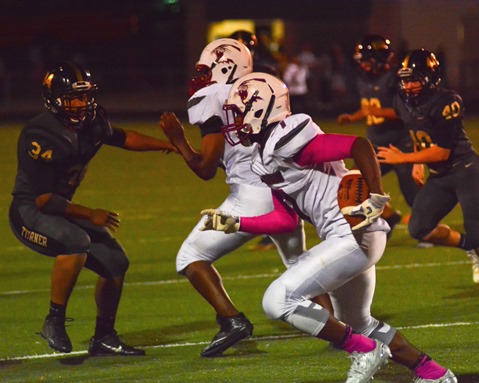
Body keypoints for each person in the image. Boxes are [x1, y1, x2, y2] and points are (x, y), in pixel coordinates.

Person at [202, 72, 457, 383]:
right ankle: (435, 374)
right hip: (349, 239)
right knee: (359, 323)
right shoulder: (265, 157)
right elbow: (285, 219)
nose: (235, 122)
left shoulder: (288, 137)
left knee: (277, 300)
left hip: (353, 232)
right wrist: (238, 222)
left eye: (240, 112)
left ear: (262, 107)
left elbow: (359, 146)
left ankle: (364, 351)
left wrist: (377, 196)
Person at [8, 61, 177, 355]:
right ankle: (54, 321)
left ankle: (104, 337)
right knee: (76, 242)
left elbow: (122, 137)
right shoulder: (42, 135)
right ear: (55, 100)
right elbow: (43, 199)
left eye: (84, 96)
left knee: (115, 261)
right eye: (73, 98)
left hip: (58, 207)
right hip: (29, 212)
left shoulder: (93, 120)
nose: (80, 104)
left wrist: (166, 144)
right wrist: (90, 213)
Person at [159, 38, 307, 357]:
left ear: (225, 67)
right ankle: (338, 329)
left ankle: (232, 321)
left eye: (207, 70)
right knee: (298, 262)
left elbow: (206, 167)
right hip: (285, 190)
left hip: (251, 197)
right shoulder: (257, 87)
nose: (202, 78)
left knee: (190, 258)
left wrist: (179, 141)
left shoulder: (210, 97)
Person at [377, 48, 479, 284]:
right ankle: (469, 248)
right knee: (419, 228)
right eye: (406, 80)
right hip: (440, 176)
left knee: (477, 232)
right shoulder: (402, 101)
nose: (409, 86)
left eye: (415, 80)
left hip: (465, 170)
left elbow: (442, 151)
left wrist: (403, 158)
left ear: (430, 78)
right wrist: (418, 160)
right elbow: (418, 133)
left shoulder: (447, 101)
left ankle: (475, 245)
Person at [337, 34, 421, 241]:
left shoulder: (396, 79)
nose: (363, 64)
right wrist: (353, 117)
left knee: (411, 192)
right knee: (357, 183)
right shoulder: (364, 79)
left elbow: (406, 111)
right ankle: (390, 216)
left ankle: (426, 229)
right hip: (374, 144)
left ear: (377, 58)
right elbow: (369, 107)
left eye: (366, 59)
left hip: (400, 144)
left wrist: (376, 113)